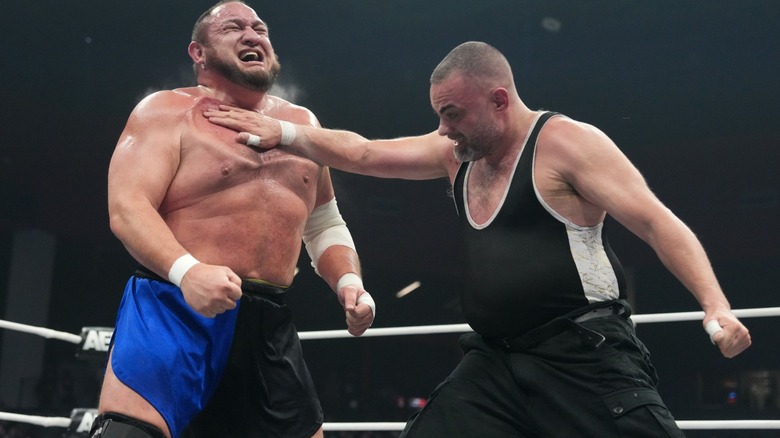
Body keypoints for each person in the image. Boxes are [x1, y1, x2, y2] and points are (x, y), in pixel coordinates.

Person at [204, 41, 752, 437]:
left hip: (584, 355)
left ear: (498, 99)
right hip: (494, 361)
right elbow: (365, 153)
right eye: (439, 115)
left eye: (452, 114)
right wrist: (290, 134)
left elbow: (658, 222)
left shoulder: (567, 144)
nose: (443, 129)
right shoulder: (455, 154)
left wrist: (715, 307)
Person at [93, 2, 375, 437]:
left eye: (260, 28)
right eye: (234, 27)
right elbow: (127, 208)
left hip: (267, 321)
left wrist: (348, 283)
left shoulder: (302, 125)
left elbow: (323, 223)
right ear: (198, 52)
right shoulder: (164, 112)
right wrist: (188, 273)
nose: (252, 34)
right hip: (173, 305)